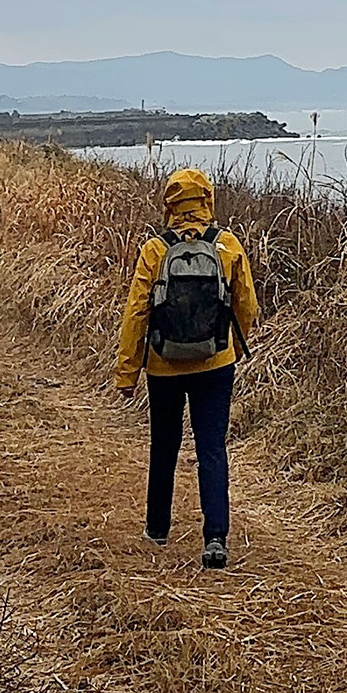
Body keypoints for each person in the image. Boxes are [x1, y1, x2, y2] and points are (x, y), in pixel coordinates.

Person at [116, 167, 258, 570]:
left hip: (163, 365)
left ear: (169, 205)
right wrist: (228, 342)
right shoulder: (227, 245)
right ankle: (215, 538)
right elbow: (246, 307)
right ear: (208, 200)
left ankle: (157, 529)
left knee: (164, 445)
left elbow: (136, 314)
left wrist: (127, 371)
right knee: (211, 447)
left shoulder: (154, 250)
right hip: (215, 363)